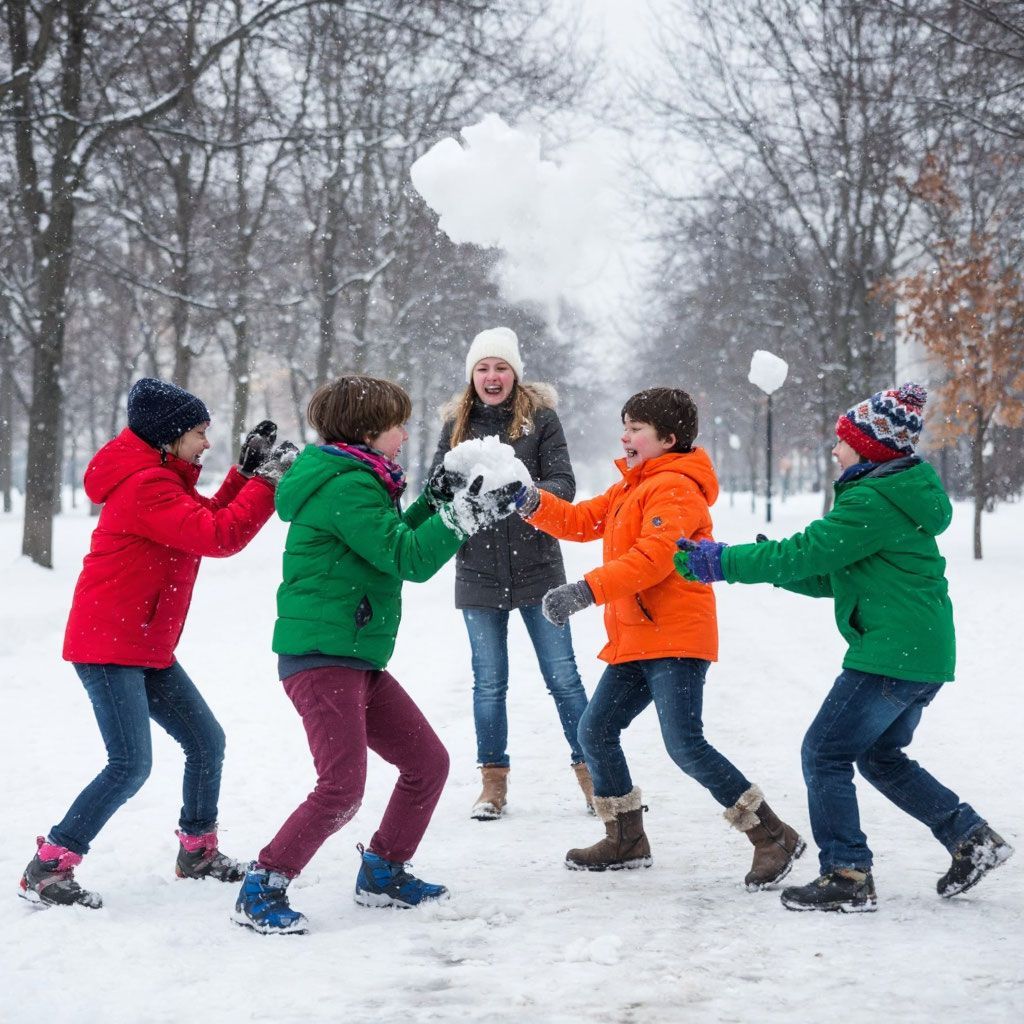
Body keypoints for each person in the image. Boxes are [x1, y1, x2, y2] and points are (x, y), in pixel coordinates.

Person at [676, 383, 1015, 912]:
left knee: (824, 752)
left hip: (892, 653)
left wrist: (724, 563)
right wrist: (769, 567)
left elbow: (809, 551)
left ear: (869, 448)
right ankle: (970, 839)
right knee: (881, 756)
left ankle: (846, 875)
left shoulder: (872, 501)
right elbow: (832, 574)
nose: (835, 450)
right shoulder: (895, 495)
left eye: (843, 441)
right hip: (920, 654)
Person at [233, 374, 521, 935]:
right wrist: (464, 516)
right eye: (396, 424)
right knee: (341, 788)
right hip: (322, 657)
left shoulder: (358, 478)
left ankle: (384, 871)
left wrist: (437, 503)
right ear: (367, 431)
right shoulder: (346, 486)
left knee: (426, 763)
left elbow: (388, 539)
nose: (405, 433)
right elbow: (407, 559)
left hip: (353, 653)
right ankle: (262, 884)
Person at [20, 378, 296, 910]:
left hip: (142, 643)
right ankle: (50, 866)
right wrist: (268, 481)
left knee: (206, 741)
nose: (206, 444)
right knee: (129, 764)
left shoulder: (161, 478)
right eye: (199, 433)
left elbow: (209, 518)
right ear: (169, 437)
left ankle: (197, 852)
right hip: (109, 646)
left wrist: (244, 473)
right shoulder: (147, 486)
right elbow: (220, 538)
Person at [518, 387, 804, 886]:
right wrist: (525, 500)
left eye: (636, 429)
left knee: (684, 743)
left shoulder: (675, 487)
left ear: (668, 439)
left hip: (675, 636)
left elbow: (654, 558)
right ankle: (626, 838)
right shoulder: (634, 485)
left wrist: (585, 591)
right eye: (624, 425)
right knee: (595, 730)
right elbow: (582, 520)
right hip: (638, 638)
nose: (624, 436)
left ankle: (772, 834)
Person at [429, 327, 592, 820]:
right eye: (483, 368)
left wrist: (523, 495)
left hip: (540, 569)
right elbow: (437, 487)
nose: (492, 376)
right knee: (488, 683)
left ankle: (595, 777)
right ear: (472, 375)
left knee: (563, 678)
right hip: (476, 572)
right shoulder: (457, 422)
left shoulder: (541, 420)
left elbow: (563, 482)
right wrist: (446, 484)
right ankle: (492, 786)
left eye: (500, 367)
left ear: (515, 373)